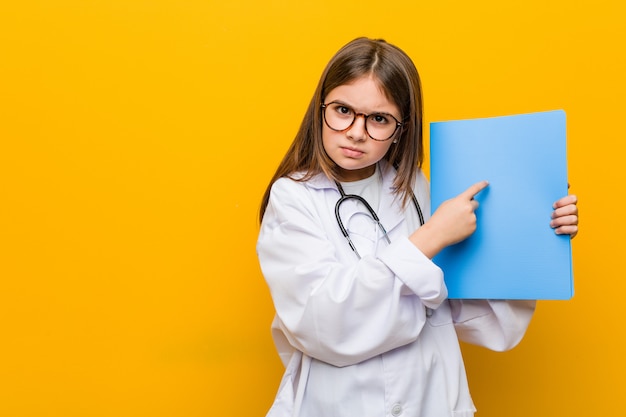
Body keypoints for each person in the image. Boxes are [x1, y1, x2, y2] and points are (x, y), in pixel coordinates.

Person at [256, 37, 579, 417]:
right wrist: (430, 238)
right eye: (343, 110)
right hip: (340, 404)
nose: (357, 132)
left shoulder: (419, 190)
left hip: (433, 400)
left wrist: (534, 230)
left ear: (401, 129)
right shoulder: (294, 197)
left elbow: (471, 312)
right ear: (320, 109)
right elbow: (321, 322)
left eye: (379, 119)